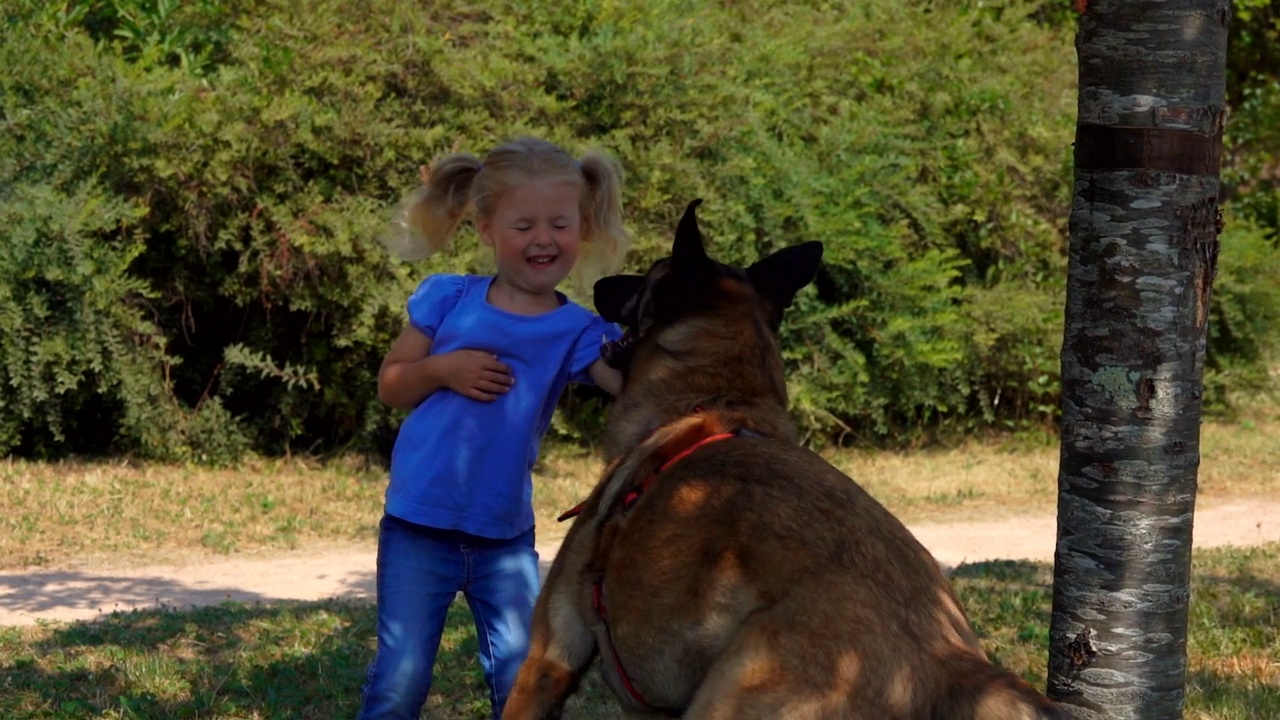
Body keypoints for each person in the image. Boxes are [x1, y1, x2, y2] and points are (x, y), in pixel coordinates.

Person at [356, 136, 630, 720]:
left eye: (560, 224)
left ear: (581, 229)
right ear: (485, 229)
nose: (543, 239)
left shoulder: (579, 330)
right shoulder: (450, 298)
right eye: (523, 224)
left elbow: (627, 387)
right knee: (399, 683)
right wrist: (441, 369)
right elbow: (392, 385)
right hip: (417, 527)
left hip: (503, 539)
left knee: (520, 684)